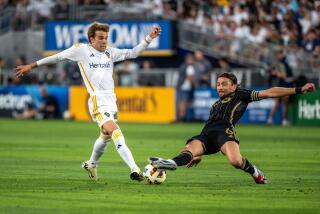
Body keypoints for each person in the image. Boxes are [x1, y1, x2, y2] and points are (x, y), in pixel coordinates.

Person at [15, 22, 161, 182]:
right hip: (97, 100)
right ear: (91, 39)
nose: (104, 41)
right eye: (100, 38)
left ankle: (91, 164)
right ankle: (135, 169)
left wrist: (149, 38)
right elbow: (57, 57)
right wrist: (33, 65)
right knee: (115, 131)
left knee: (105, 136)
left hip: (112, 100)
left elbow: (133, 53)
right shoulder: (81, 50)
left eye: (106, 38)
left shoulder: (110, 53)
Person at [149, 72, 315, 184]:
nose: (220, 87)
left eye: (224, 84)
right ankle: (170, 163)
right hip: (206, 134)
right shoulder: (216, 104)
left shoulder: (241, 95)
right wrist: (200, 153)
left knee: (235, 161)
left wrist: (299, 89)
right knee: (189, 150)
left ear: (235, 86)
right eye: (218, 84)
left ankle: (256, 173)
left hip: (225, 133)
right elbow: (209, 125)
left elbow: (270, 92)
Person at [267, 50, 294, 125]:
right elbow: (283, 75)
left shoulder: (283, 63)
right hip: (283, 86)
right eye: (277, 55)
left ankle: (271, 119)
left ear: (281, 54)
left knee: (279, 104)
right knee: (282, 104)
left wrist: (276, 73)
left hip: (283, 85)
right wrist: (277, 73)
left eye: (278, 54)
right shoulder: (283, 63)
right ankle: (283, 120)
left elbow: (283, 75)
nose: (277, 56)